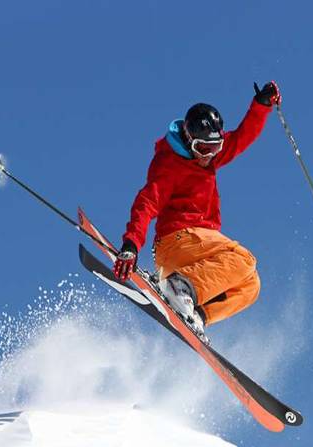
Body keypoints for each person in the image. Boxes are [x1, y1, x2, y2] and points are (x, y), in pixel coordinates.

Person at [113, 81, 282, 339]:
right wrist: (130, 245)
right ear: (189, 139)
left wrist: (261, 106)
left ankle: (197, 315)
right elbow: (147, 202)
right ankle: (180, 288)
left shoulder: (209, 159)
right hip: (177, 241)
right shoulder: (170, 163)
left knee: (251, 285)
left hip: (195, 251)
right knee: (244, 259)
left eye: (215, 148)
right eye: (203, 149)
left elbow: (240, 138)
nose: (208, 156)